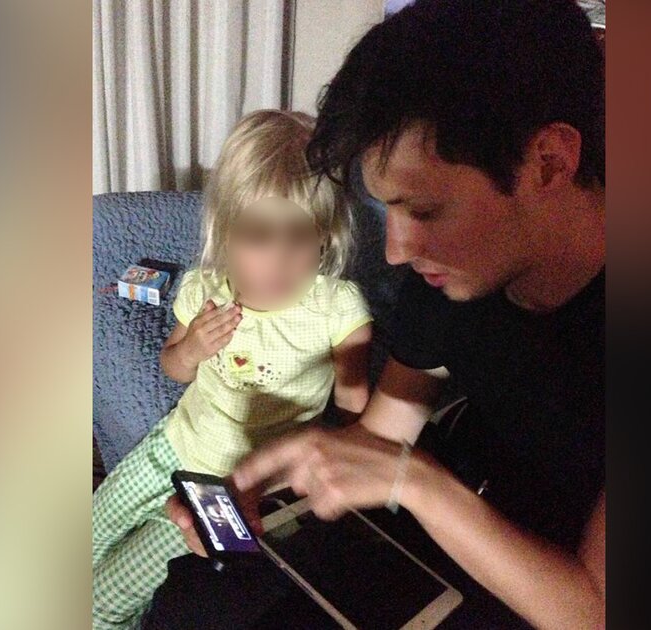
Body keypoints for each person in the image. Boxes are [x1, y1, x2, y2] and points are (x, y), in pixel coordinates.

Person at [165, 1, 605, 627]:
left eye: (423, 211)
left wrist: (415, 482)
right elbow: (384, 434)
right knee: (197, 602)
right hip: (447, 536)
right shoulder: (448, 278)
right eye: (387, 209)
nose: (396, 251)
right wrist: (274, 478)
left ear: (549, 162)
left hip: (551, 586)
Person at [92, 110, 374, 630]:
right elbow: (173, 368)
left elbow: (356, 414)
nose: (278, 261)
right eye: (256, 236)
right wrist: (193, 347)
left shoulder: (338, 310)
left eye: (300, 237)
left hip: (231, 490)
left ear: (327, 234)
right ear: (224, 231)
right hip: (169, 447)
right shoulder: (204, 289)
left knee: (109, 597)